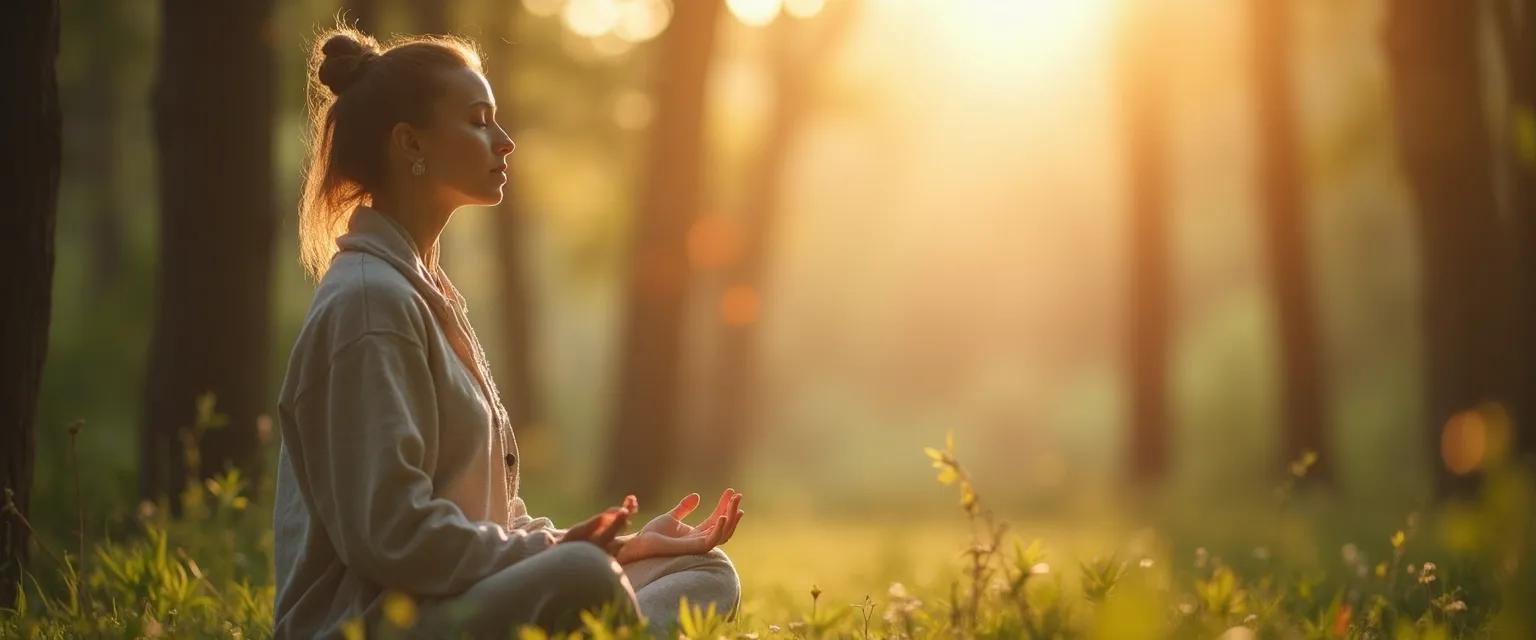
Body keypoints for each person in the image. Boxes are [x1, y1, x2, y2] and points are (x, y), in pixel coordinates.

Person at [271, 25, 745, 638]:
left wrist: (624, 546)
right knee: (583, 578)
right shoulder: (369, 305)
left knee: (701, 570)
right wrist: (564, 557)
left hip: (460, 597)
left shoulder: (428, 292)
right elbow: (390, 538)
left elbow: (491, 521)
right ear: (410, 143)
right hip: (376, 621)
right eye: (478, 121)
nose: (505, 141)